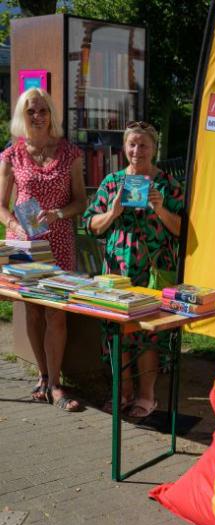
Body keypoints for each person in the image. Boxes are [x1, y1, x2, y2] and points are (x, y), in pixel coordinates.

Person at [82, 121, 184, 418]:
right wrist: (112, 213)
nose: (137, 150)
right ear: (124, 147)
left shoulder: (167, 184)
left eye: (144, 145)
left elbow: (184, 233)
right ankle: (123, 392)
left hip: (154, 270)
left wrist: (160, 208)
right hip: (117, 271)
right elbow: (90, 226)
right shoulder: (112, 182)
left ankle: (147, 396)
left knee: (148, 332)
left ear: (154, 149)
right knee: (117, 331)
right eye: (132, 144)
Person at [0, 88, 86, 411]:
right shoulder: (12, 155)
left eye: (42, 111)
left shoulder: (70, 153)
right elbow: (1, 206)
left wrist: (59, 213)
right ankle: (42, 375)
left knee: (57, 313)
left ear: (52, 114)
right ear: (22, 116)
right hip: (26, 243)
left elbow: (81, 200)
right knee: (33, 310)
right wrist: (15, 226)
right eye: (30, 111)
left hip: (60, 241)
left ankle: (56, 386)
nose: (37, 116)